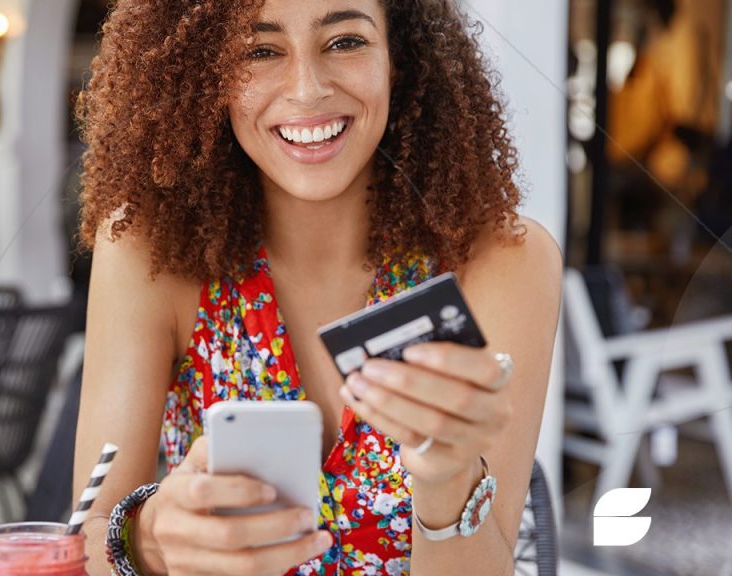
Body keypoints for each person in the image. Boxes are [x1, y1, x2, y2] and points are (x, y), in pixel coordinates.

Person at [72, 0, 562, 574]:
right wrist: (149, 540)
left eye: (346, 41)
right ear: (204, 76)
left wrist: (447, 479)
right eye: (259, 51)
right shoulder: (149, 251)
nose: (307, 90)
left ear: (397, 56)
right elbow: (86, 537)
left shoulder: (501, 261)